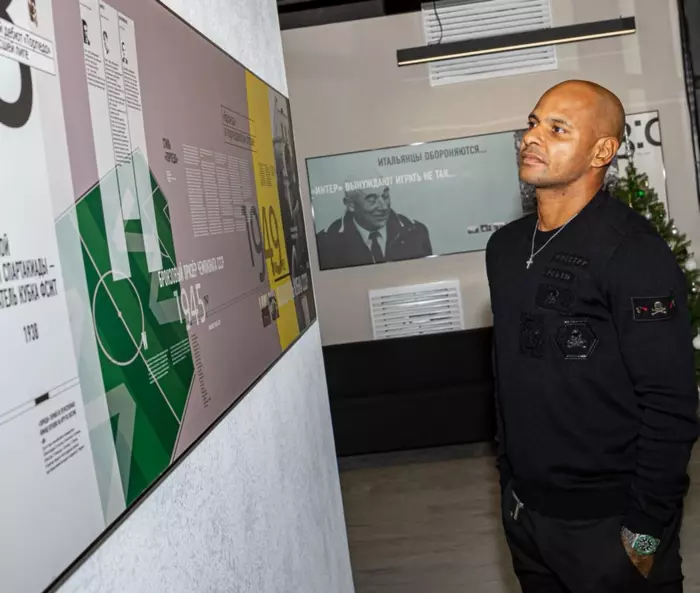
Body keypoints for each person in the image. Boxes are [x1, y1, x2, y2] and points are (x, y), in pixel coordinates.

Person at [486, 79, 698, 593]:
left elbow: (671, 403)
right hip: (527, 517)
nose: (532, 136)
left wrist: (645, 530)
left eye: (557, 128)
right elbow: (508, 372)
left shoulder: (632, 251)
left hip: (611, 526)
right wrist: (509, 486)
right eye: (533, 123)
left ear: (602, 151)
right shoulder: (505, 247)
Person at [316, 182, 432, 269]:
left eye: (385, 196)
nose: (384, 207)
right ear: (350, 204)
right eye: (372, 200)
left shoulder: (416, 232)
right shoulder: (326, 243)